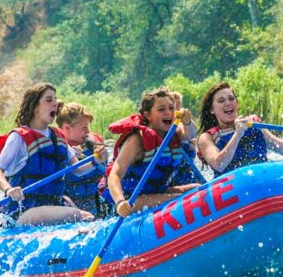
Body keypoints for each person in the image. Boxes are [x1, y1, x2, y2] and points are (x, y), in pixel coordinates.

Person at [0, 83, 103, 226]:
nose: (55, 104)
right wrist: (8, 189)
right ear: (35, 106)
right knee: (85, 217)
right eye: (49, 100)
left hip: (52, 206)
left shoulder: (59, 136)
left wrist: (96, 161)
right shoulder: (19, 137)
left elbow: (78, 170)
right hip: (24, 211)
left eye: (55, 99)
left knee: (83, 223)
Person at [101, 87, 200, 218]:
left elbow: (191, 134)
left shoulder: (173, 134)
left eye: (171, 108)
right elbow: (115, 174)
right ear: (148, 115)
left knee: (198, 189)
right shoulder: (137, 140)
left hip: (154, 193)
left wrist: (187, 121)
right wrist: (120, 202)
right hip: (130, 200)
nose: (168, 113)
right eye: (161, 109)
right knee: (180, 199)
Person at [196, 82, 283, 175]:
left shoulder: (254, 125)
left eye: (231, 99)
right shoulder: (207, 138)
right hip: (231, 192)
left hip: (261, 182)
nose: (228, 103)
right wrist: (237, 135)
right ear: (212, 109)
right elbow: (219, 165)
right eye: (221, 100)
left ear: (237, 103)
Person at [56, 101, 111, 218]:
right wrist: (69, 156)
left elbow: (106, 173)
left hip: (95, 205)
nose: (88, 132)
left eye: (88, 127)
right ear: (67, 128)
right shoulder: (57, 150)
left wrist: (104, 158)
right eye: (84, 127)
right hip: (68, 208)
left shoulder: (93, 144)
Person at [168, 90, 202, 185]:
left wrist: (187, 121)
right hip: (171, 182)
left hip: (189, 177)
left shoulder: (184, 125)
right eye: (173, 107)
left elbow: (191, 134)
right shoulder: (159, 130)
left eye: (179, 107)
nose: (177, 111)